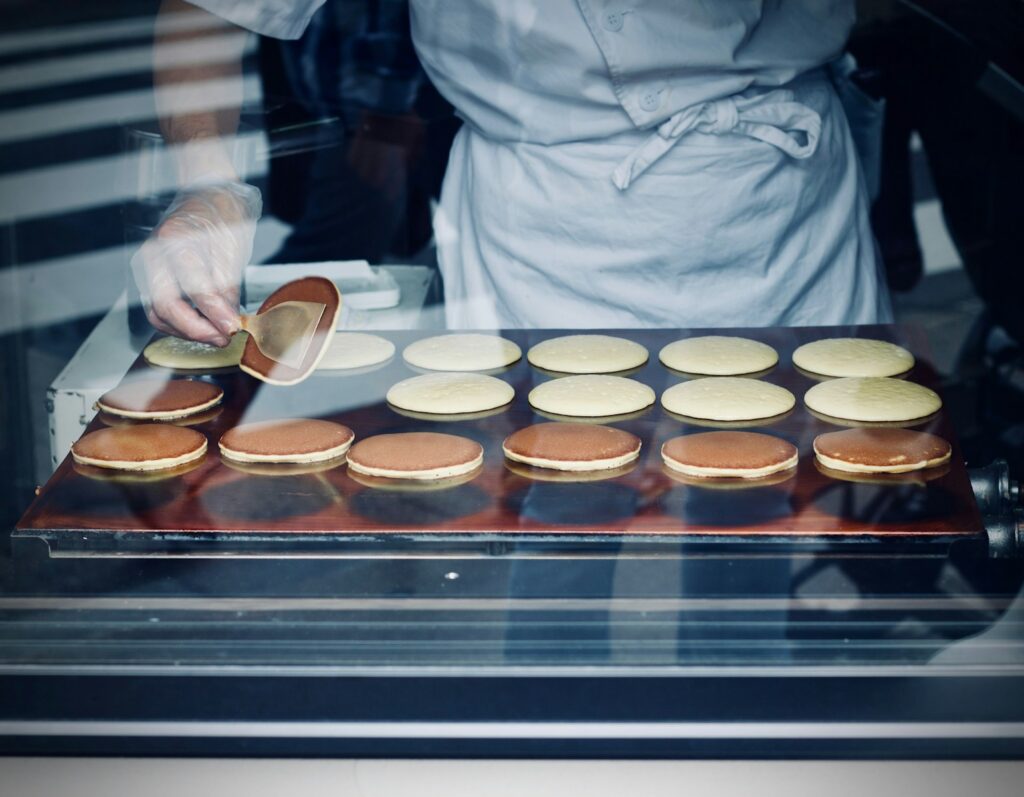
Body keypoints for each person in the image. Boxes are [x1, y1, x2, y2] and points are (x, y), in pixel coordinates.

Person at [136, 0, 892, 345]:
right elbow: (210, 14)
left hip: (776, 201)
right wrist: (207, 190)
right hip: (543, 227)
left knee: (761, 522)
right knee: (554, 527)